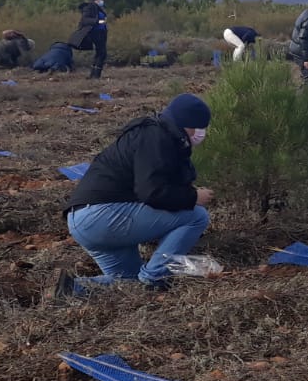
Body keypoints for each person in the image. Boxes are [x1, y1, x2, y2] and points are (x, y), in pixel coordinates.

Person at [58, 94, 213, 296]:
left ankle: (70, 289)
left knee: (128, 282)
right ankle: (156, 277)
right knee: (196, 216)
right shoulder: (155, 138)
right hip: (102, 216)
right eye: (200, 127)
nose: (201, 133)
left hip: (83, 221)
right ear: (187, 125)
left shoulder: (155, 134)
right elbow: (152, 193)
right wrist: (193, 197)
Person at [67, 0, 109, 79]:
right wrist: (97, 21)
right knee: (102, 53)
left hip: (101, 32)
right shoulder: (90, 7)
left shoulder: (98, 8)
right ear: (96, 0)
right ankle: (95, 75)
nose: (102, 1)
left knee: (100, 53)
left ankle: (94, 75)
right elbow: (85, 20)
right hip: (96, 33)